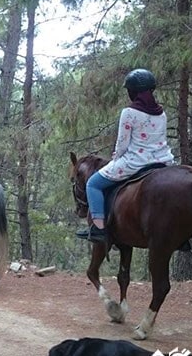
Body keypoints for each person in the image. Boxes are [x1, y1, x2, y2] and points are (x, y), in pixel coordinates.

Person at [75, 68, 175, 242]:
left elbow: (122, 143)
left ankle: (98, 228)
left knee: (93, 184)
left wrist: (117, 156)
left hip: (136, 162)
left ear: (133, 91)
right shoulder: (161, 113)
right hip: (163, 161)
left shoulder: (129, 112)